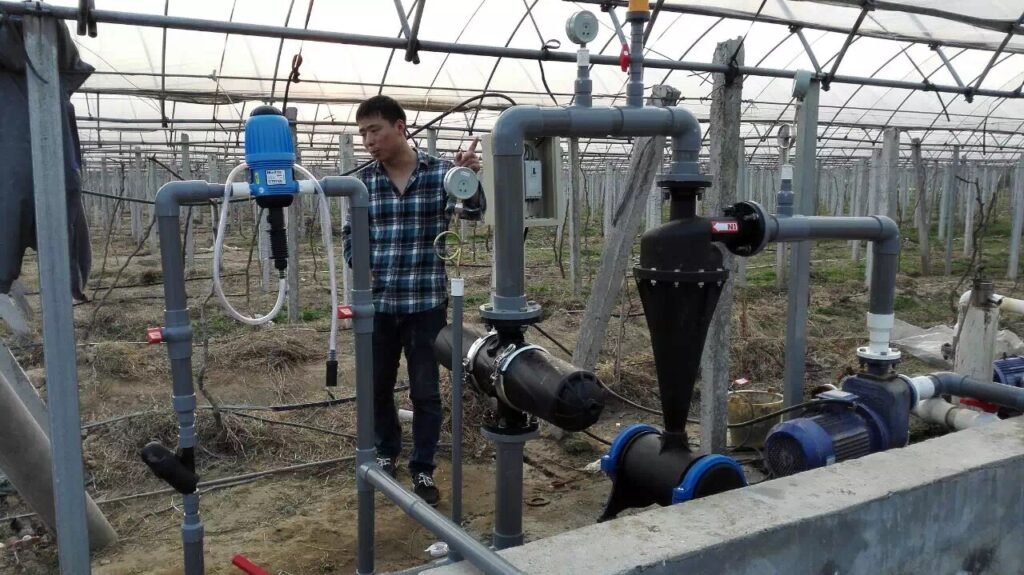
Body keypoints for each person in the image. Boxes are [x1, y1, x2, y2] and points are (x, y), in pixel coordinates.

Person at [342, 95, 484, 506]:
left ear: (401, 127)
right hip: (379, 306)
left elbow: (473, 212)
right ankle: (387, 453)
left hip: (425, 304)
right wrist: (361, 265)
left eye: (375, 130)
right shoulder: (363, 183)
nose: (369, 141)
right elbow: (351, 235)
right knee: (377, 386)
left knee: (425, 390)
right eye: (363, 133)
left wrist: (468, 179)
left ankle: (423, 468)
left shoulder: (441, 173)